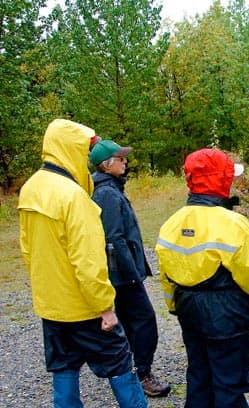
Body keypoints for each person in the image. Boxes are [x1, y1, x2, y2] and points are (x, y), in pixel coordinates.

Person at [17, 119, 147, 407]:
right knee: (120, 364)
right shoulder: (73, 196)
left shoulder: (30, 188)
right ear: (70, 149)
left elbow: (28, 250)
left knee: (64, 366)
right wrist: (105, 308)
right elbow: (88, 261)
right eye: (85, 151)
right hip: (84, 307)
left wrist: (47, 291)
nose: (88, 160)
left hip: (52, 305)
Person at [155, 148, 249, 407]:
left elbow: (167, 277)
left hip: (189, 314)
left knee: (199, 379)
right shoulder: (232, 223)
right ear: (222, 180)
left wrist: (174, 306)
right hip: (228, 318)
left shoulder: (171, 224)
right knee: (228, 386)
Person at [90, 140, 171, 397]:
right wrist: (132, 275)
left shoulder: (111, 188)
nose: (125, 162)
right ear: (106, 164)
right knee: (144, 322)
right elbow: (114, 239)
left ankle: (130, 372)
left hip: (122, 273)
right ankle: (142, 374)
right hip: (122, 275)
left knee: (128, 323)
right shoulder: (107, 193)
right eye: (120, 158)